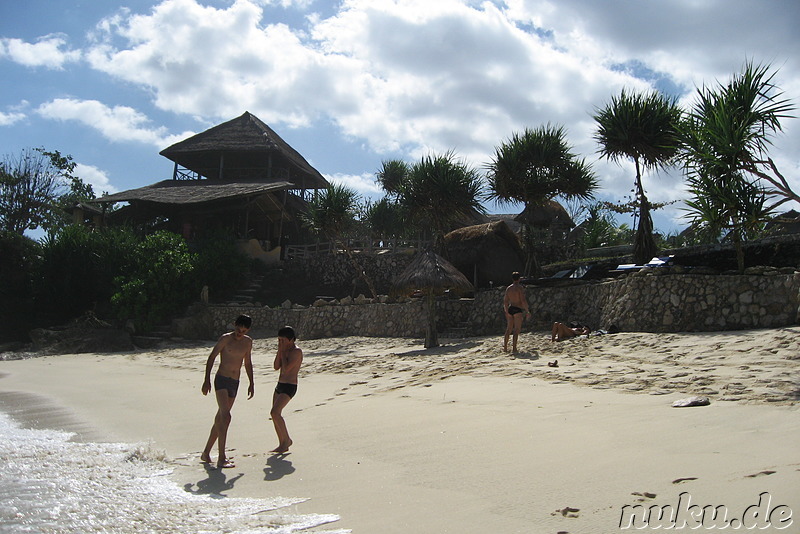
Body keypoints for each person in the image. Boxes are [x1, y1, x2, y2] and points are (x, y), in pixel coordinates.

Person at [201, 314, 254, 468]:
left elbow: (248, 363)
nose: (240, 333)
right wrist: (206, 380)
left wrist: (251, 383)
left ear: (248, 330)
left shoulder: (248, 342)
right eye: (238, 329)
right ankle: (222, 457)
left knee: (221, 419)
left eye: (243, 331)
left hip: (235, 382)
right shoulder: (225, 339)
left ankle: (206, 453)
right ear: (234, 325)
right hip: (222, 380)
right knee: (226, 416)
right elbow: (211, 358)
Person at [270, 325, 303, 453]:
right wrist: (280, 351)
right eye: (278, 340)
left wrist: (283, 353)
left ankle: (287, 440)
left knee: (275, 412)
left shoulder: (296, 352)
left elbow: (286, 370)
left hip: (290, 386)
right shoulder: (283, 350)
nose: (280, 343)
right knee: (274, 415)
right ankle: (282, 442)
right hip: (280, 385)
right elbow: (276, 366)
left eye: (282, 340)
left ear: (290, 340)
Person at [503, 272, 531, 353]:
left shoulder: (508, 288)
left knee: (508, 329)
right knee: (516, 329)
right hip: (517, 309)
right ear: (519, 279)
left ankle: (505, 347)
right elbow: (523, 300)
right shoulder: (519, 288)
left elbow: (505, 301)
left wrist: (506, 311)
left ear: (512, 279)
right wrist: (527, 311)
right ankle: (514, 348)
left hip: (510, 308)